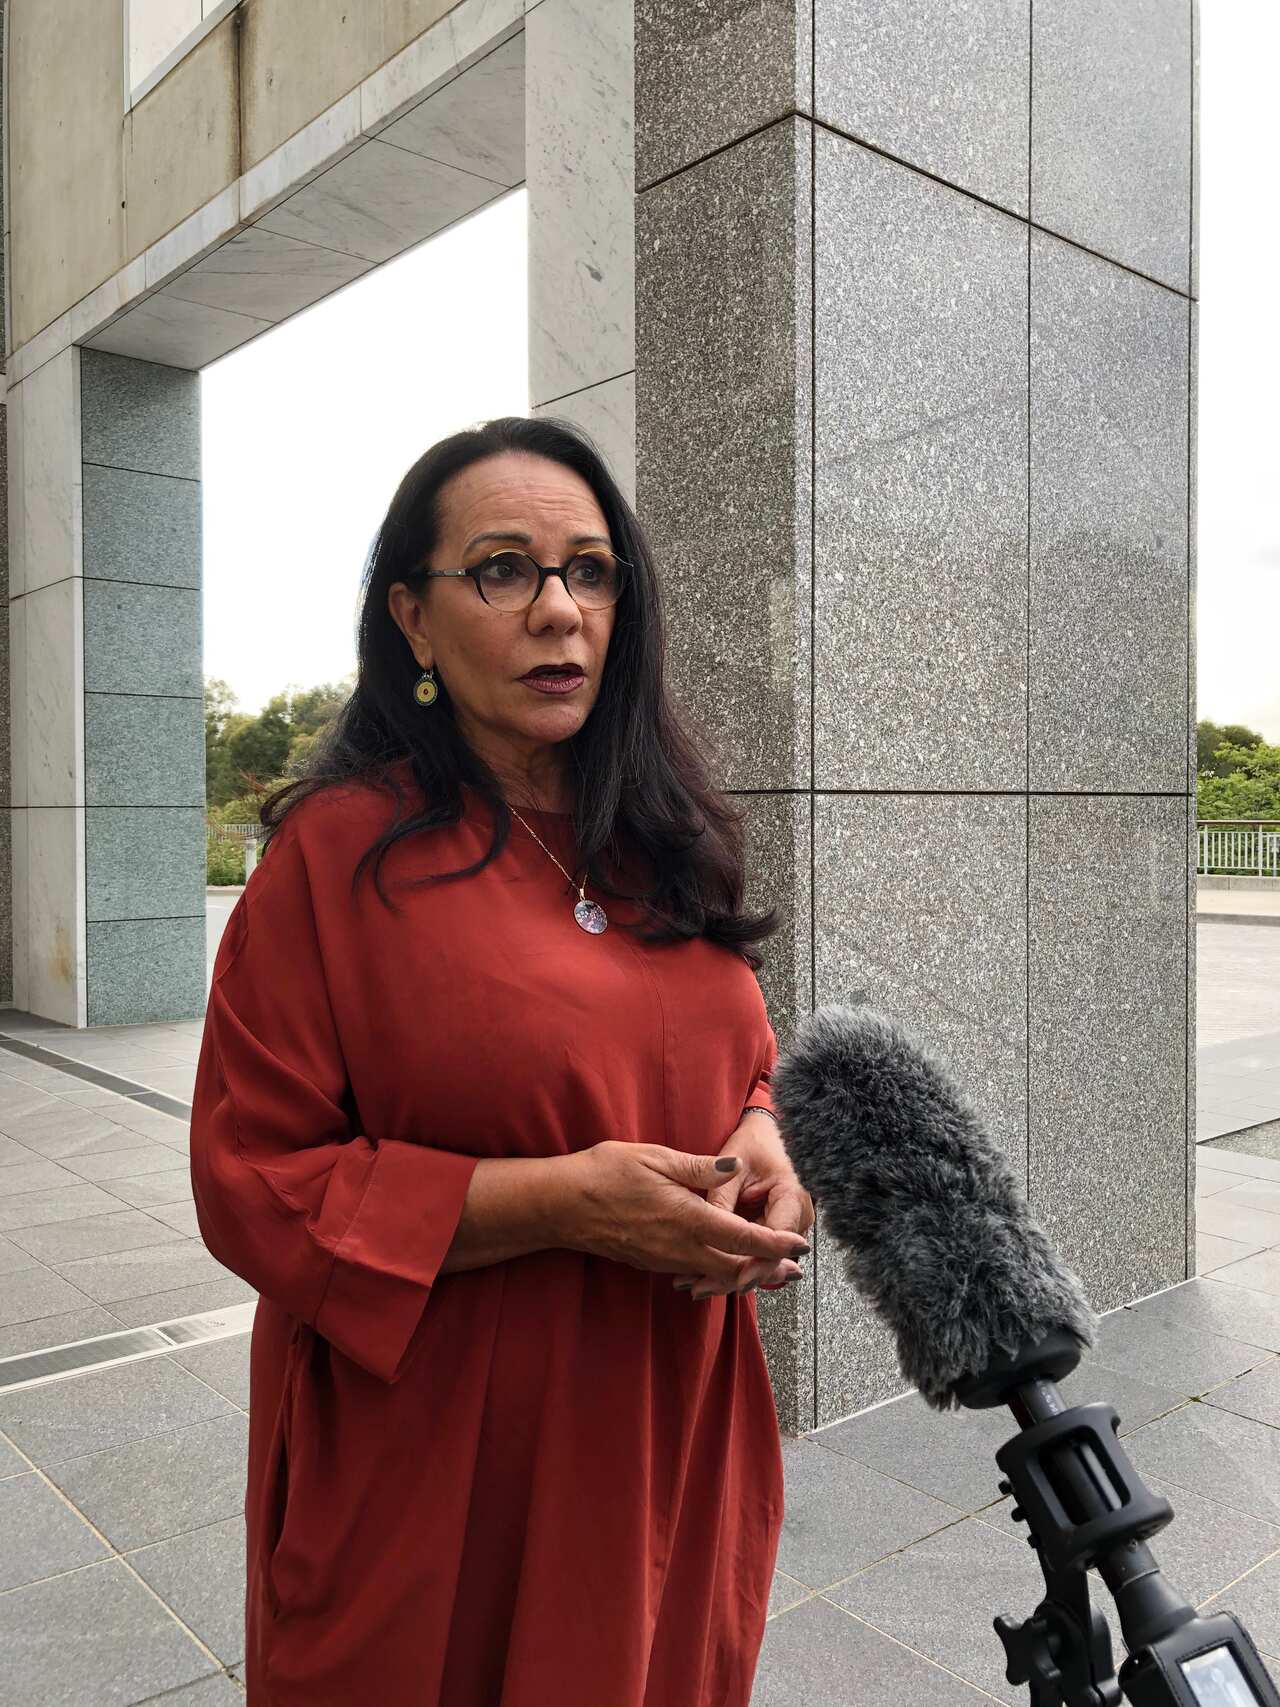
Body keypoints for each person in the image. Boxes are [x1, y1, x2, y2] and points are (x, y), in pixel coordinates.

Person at [189, 414, 816, 1706]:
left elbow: (735, 1057)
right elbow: (251, 1179)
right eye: (502, 570)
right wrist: (552, 1202)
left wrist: (762, 1133)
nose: (558, 611)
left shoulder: (664, 838)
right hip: (442, 1450)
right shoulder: (336, 858)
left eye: (591, 572)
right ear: (412, 617)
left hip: (666, 1426)